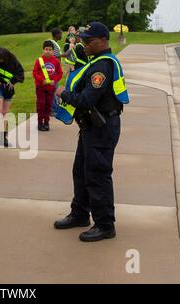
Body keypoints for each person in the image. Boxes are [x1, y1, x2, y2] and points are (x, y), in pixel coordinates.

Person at [54, 22, 130, 242]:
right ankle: (79, 213)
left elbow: (87, 100)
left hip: (102, 127)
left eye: (89, 40)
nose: (84, 44)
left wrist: (63, 93)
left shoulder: (102, 66)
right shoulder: (95, 62)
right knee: (80, 171)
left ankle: (105, 225)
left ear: (103, 41)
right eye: (83, 40)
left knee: (97, 175)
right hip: (91, 127)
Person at [0, 47, 24, 148]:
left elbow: (20, 72)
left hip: (9, 89)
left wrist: (13, 81)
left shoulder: (13, 60)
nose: (1, 61)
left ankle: (3, 137)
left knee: (5, 113)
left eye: (2, 59)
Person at [32, 40, 63, 131]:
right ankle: (40, 122)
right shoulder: (39, 60)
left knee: (48, 105)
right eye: (46, 49)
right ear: (43, 50)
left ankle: (46, 122)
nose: (48, 51)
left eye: (50, 49)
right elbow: (35, 73)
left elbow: (60, 73)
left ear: (53, 51)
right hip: (40, 87)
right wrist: (42, 80)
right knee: (41, 104)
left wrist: (55, 80)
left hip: (51, 88)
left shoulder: (56, 61)